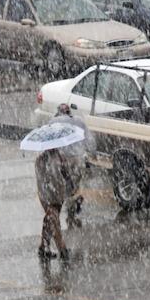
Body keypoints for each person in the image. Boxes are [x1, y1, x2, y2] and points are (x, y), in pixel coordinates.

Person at [35, 104, 92, 259]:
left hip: (55, 169)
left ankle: (45, 247)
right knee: (53, 210)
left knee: (52, 209)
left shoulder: (51, 124)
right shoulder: (78, 122)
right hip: (70, 167)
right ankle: (61, 248)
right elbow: (90, 144)